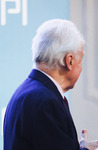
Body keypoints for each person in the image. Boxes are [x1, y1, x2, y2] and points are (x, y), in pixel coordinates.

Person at [4, 19, 85, 150]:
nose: (81, 67)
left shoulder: (25, 92)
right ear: (69, 61)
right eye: (81, 59)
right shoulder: (46, 102)